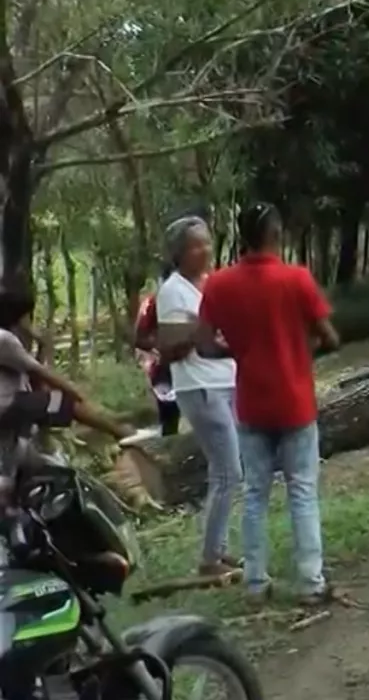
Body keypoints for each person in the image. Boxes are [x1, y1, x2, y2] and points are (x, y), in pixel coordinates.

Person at [196, 202, 340, 605]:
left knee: (255, 494)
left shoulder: (219, 284)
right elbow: (331, 337)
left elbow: (204, 345)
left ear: (242, 236)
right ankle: (311, 582)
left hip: (251, 405)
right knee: (302, 491)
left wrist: (241, 350)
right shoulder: (296, 279)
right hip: (295, 402)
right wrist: (300, 350)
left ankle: (256, 582)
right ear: (276, 234)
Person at [155, 216, 241, 577]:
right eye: (195, 245)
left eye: (207, 242)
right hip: (199, 385)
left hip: (225, 379)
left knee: (226, 470)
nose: (204, 250)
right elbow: (169, 348)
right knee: (228, 472)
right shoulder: (173, 291)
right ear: (179, 253)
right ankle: (209, 558)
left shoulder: (210, 283)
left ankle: (219, 550)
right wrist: (200, 332)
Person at [0, 279, 133, 457]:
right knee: (65, 403)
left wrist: (42, 344)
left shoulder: (8, 340)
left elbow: (33, 375)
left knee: (48, 403)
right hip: (9, 404)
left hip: (15, 402)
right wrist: (79, 395)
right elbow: (43, 374)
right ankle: (122, 432)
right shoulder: (5, 340)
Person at [134, 264, 179, 435]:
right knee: (169, 415)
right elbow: (140, 338)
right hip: (162, 366)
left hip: (191, 363)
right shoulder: (152, 303)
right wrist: (161, 348)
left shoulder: (192, 298)